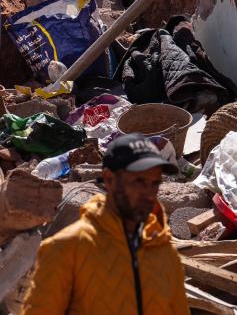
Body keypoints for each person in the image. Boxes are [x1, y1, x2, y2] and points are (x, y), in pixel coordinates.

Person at [20, 134, 190, 315]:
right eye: (138, 181)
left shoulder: (164, 253)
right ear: (109, 179)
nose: (148, 193)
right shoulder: (65, 250)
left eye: (154, 182)